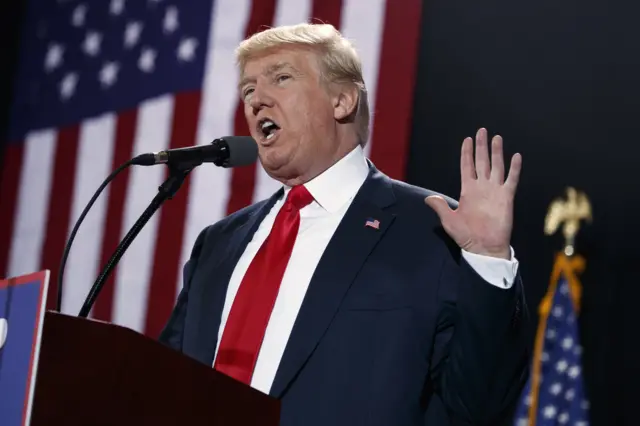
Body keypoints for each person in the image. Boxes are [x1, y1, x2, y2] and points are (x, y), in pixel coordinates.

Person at [159, 23, 529, 426]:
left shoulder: (434, 230)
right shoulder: (218, 243)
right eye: (248, 90)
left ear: (342, 100)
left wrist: (490, 260)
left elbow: (479, 403)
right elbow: (163, 382)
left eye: (281, 78)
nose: (257, 100)